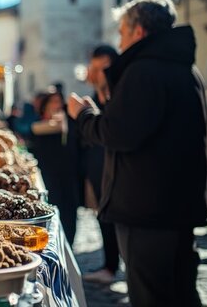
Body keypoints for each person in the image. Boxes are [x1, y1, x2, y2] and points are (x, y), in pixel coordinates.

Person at [68, 0, 207, 307]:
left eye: (122, 33)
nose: (119, 42)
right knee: (181, 294)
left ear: (139, 32)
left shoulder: (145, 71)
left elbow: (117, 133)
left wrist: (84, 115)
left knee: (153, 296)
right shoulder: (187, 71)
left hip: (148, 212)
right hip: (174, 207)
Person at [81, 45, 121, 285]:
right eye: (94, 68)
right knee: (103, 215)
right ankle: (110, 264)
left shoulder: (118, 92)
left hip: (113, 165)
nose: (96, 73)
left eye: (101, 68)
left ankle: (112, 265)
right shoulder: (99, 91)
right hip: (98, 164)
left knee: (113, 216)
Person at [31, 90, 80, 245]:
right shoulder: (38, 123)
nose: (57, 105)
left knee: (69, 211)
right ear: (45, 105)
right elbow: (36, 129)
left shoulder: (67, 121)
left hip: (66, 173)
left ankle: (68, 243)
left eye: (59, 101)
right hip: (48, 174)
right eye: (53, 101)